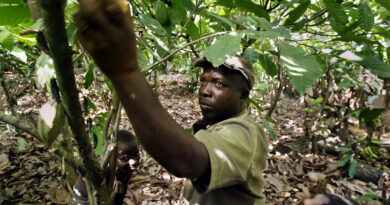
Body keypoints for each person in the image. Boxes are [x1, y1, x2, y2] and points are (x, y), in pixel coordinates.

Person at [73, 0, 269, 204]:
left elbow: (187, 161)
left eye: (219, 84)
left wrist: (126, 72)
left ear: (244, 96)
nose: (205, 91)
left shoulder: (245, 132)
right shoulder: (216, 126)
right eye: (203, 80)